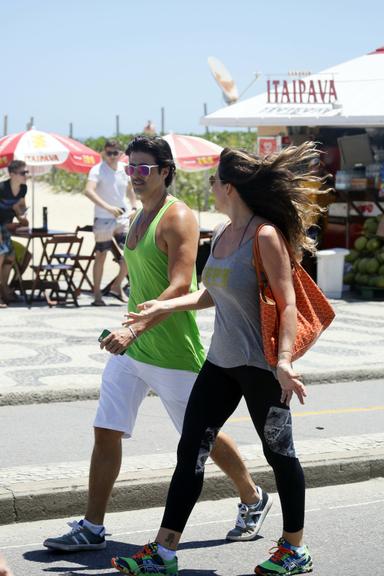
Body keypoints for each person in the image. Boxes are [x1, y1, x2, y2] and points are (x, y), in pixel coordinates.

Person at [43, 136, 271, 553]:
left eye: (142, 168)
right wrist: (129, 328)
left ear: (165, 172)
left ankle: (254, 497)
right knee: (106, 429)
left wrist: (136, 327)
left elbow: (182, 284)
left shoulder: (177, 216)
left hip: (171, 351)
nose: (133, 174)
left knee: (204, 436)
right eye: (130, 167)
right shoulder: (136, 216)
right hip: (133, 350)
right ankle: (93, 526)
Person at [112, 142, 323, 575]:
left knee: (280, 454)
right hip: (221, 364)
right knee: (190, 450)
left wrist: (284, 360)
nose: (208, 187)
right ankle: (164, 552)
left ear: (228, 187)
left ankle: (294, 548)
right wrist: (164, 306)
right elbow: (212, 293)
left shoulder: (265, 235)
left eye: (212, 181)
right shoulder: (223, 233)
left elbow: (287, 304)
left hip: (262, 367)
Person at [85, 139, 138, 306]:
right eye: (109, 153)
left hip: (123, 216)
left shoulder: (124, 169)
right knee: (101, 255)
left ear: (121, 154)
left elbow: (130, 189)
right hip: (103, 217)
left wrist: (135, 205)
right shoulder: (97, 170)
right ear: (103, 153)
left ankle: (116, 285)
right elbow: (88, 191)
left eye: (116, 153)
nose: (112, 156)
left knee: (132, 253)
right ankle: (97, 294)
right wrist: (108, 208)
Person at [0, 161, 29, 308]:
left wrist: (21, 217)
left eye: (26, 172)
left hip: (6, 228)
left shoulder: (23, 188)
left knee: (10, 258)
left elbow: (19, 206)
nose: (26, 176)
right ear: (11, 174)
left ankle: (4, 288)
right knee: (1, 258)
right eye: (23, 173)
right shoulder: (2, 188)